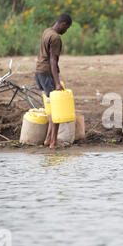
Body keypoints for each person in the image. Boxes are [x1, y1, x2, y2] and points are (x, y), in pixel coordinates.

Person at [35, 13, 72, 149]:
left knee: (50, 108)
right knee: (57, 108)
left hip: (38, 73)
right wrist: (57, 83)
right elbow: (52, 60)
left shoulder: (46, 32)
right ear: (63, 24)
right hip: (47, 74)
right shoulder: (56, 38)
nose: (65, 31)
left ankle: (48, 139)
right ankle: (53, 142)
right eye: (66, 28)